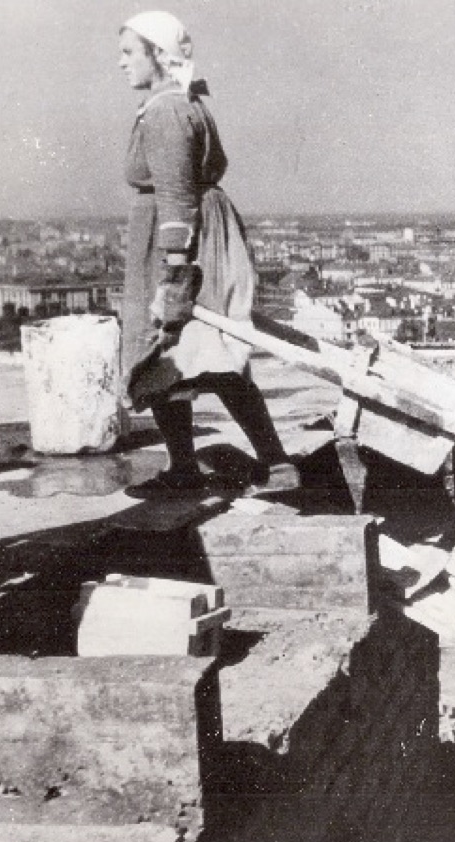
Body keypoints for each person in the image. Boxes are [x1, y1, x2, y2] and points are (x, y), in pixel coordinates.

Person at [117, 11, 296, 499]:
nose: (122, 63)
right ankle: (260, 463)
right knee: (201, 354)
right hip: (200, 234)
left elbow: (176, 193)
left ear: (158, 54)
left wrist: (176, 269)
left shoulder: (167, 112)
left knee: (174, 350)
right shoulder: (182, 104)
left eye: (130, 52)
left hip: (182, 241)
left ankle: (240, 465)